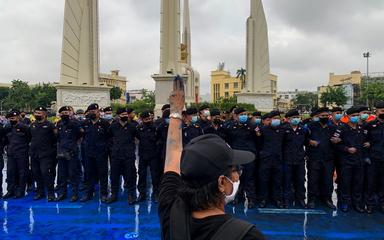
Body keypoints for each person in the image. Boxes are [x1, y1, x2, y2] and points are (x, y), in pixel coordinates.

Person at [158, 76, 264, 240]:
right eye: (236, 170)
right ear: (222, 182)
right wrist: (177, 111)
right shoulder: (247, 236)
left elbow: (172, 157)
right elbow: (173, 157)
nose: (238, 176)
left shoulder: (171, 210)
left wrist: (176, 112)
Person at [333, 107, 367, 213]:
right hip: (346, 161)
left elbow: (366, 141)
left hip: (359, 161)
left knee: (358, 183)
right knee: (345, 183)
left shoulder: (361, 128)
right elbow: (335, 143)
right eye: (353, 116)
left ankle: (357, 204)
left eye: (357, 115)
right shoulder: (341, 128)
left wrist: (368, 143)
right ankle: (344, 203)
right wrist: (347, 149)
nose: (356, 117)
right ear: (347, 116)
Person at [226, 108, 257, 208]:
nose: (244, 116)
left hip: (248, 155)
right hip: (237, 156)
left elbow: (257, 139)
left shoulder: (251, 126)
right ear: (236, 116)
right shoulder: (231, 127)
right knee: (237, 178)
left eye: (245, 114)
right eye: (241, 114)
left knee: (249, 178)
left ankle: (251, 199)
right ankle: (238, 197)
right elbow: (229, 140)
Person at [306, 107, 336, 209]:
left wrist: (337, 140)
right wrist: (309, 141)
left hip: (328, 158)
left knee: (328, 180)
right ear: (318, 116)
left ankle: (328, 199)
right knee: (313, 179)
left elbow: (338, 140)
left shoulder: (332, 127)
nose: (325, 117)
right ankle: (311, 200)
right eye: (323, 116)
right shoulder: (311, 126)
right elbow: (303, 138)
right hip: (314, 157)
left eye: (327, 115)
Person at [80, 103, 110, 203]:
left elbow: (109, 137)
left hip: (101, 153)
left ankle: (104, 194)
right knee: (89, 173)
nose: (93, 113)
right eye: (91, 112)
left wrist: (105, 148)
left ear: (98, 112)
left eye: (95, 111)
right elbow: (82, 136)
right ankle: (89, 193)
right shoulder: (85, 123)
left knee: (103, 174)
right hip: (88, 153)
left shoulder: (105, 123)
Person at [107, 107, 137, 204]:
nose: (125, 116)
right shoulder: (113, 126)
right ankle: (114, 195)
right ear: (118, 116)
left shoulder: (132, 126)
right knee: (114, 176)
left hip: (128, 155)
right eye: (122, 115)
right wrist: (113, 148)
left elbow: (137, 138)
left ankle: (131, 195)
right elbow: (109, 138)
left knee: (130, 175)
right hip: (116, 155)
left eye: (126, 114)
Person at [256, 110, 285, 208]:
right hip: (266, 159)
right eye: (274, 119)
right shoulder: (263, 129)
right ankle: (263, 199)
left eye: (278, 118)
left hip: (278, 159)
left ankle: (277, 199)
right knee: (264, 180)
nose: (276, 120)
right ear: (270, 120)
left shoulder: (283, 130)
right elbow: (259, 143)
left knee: (277, 180)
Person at [30, 106, 57, 201]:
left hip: (46, 154)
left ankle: (50, 193)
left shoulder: (50, 125)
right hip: (34, 154)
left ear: (44, 114)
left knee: (46, 173)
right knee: (36, 173)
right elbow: (30, 138)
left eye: (39, 113)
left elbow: (55, 138)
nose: (37, 115)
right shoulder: (32, 125)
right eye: (36, 113)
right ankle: (40, 192)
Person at [56, 106, 82, 202]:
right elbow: (58, 137)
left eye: (66, 112)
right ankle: (62, 193)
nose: (65, 114)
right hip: (62, 152)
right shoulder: (59, 123)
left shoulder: (75, 123)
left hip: (72, 152)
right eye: (63, 113)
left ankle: (74, 194)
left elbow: (80, 135)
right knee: (62, 174)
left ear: (70, 113)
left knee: (73, 174)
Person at [3, 110, 31, 199]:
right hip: (11, 154)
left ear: (18, 118)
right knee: (10, 172)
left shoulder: (25, 127)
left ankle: (20, 191)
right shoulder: (7, 127)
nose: (12, 120)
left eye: (13, 118)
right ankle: (10, 190)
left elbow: (29, 139)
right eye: (10, 118)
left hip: (22, 153)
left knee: (22, 173)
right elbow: (6, 140)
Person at [282, 109, 307, 208]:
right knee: (287, 180)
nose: (296, 119)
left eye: (297, 117)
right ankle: (287, 200)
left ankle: (300, 199)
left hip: (300, 159)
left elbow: (306, 142)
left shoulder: (303, 129)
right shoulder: (283, 129)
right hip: (287, 159)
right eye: (293, 118)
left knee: (300, 180)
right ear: (288, 119)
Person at [364, 101, 384, 214]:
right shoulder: (370, 125)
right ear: (376, 112)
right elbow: (364, 142)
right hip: (373, 159)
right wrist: (366, 157)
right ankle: (370, 204)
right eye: (382, 111)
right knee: (371, 183)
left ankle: (382, 203)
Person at [137, 110, 160, 202]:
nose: (147, 120)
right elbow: (137, 138)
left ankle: (156, 194)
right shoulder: (139, 128)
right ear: (142, 119)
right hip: (142, 155)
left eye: (148, 119)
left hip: (153, 155)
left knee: (155, 176)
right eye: (145, 119)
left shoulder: (155, 128)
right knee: (142, 175)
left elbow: (158, 139)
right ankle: (142, 194)